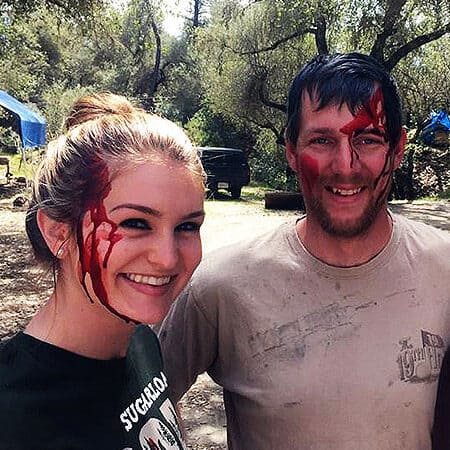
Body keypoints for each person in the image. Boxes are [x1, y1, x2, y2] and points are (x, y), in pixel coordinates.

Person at [157, 53, 450, 449]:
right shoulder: (223, 287)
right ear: (292, 152)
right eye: (322, 140)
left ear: (397, 150)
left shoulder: (443, 269)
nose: (345, 166)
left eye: (367, 139)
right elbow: (136, 402)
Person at [0, 93, 205, 449]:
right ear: (57, 232)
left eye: (187, 226)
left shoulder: (141, 342)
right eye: (136, 222)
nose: (167, 258)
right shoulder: (12, 406)